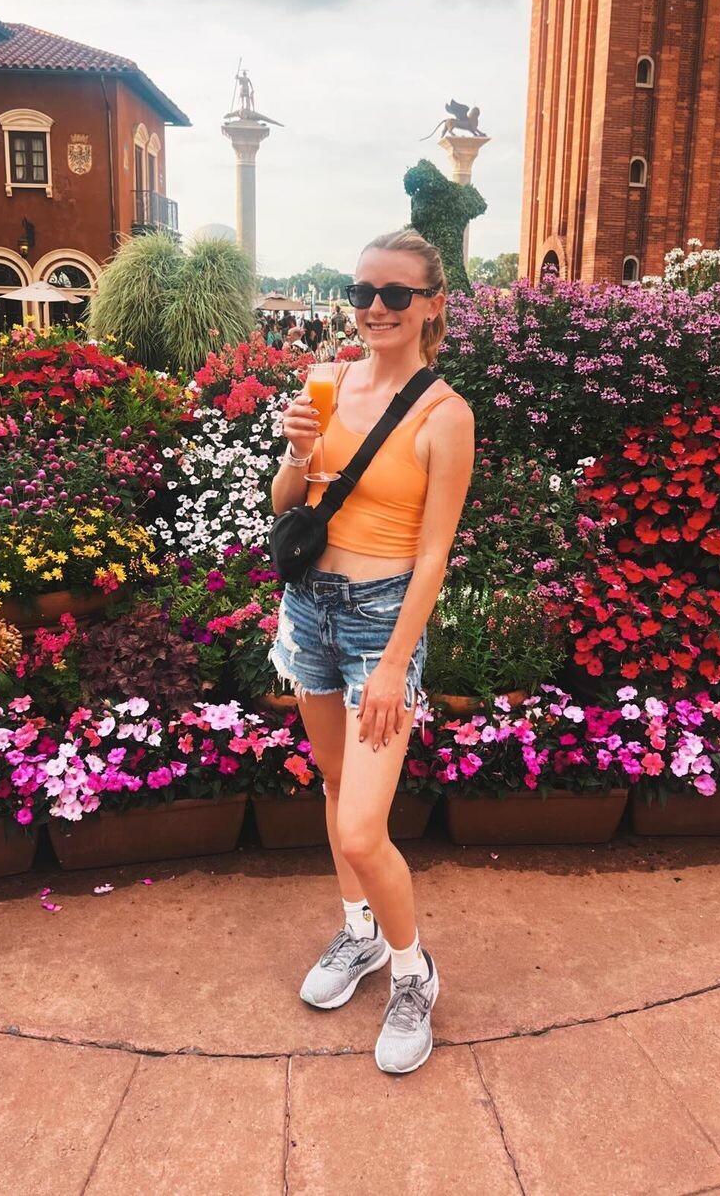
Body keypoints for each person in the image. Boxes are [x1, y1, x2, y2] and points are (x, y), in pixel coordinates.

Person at [269, 227, 474, 1075]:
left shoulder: (444, 415)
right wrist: (297, 452)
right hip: (308, 608)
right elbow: (287, 502)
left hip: (380, 623)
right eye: (362, 293)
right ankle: (359, 933)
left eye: (394, 294)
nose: (375, 309)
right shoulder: (328, 380)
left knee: (362, 829)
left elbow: (434, 555)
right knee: (333, 783)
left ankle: (413, 968)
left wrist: (395, 663)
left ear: (432, 305)